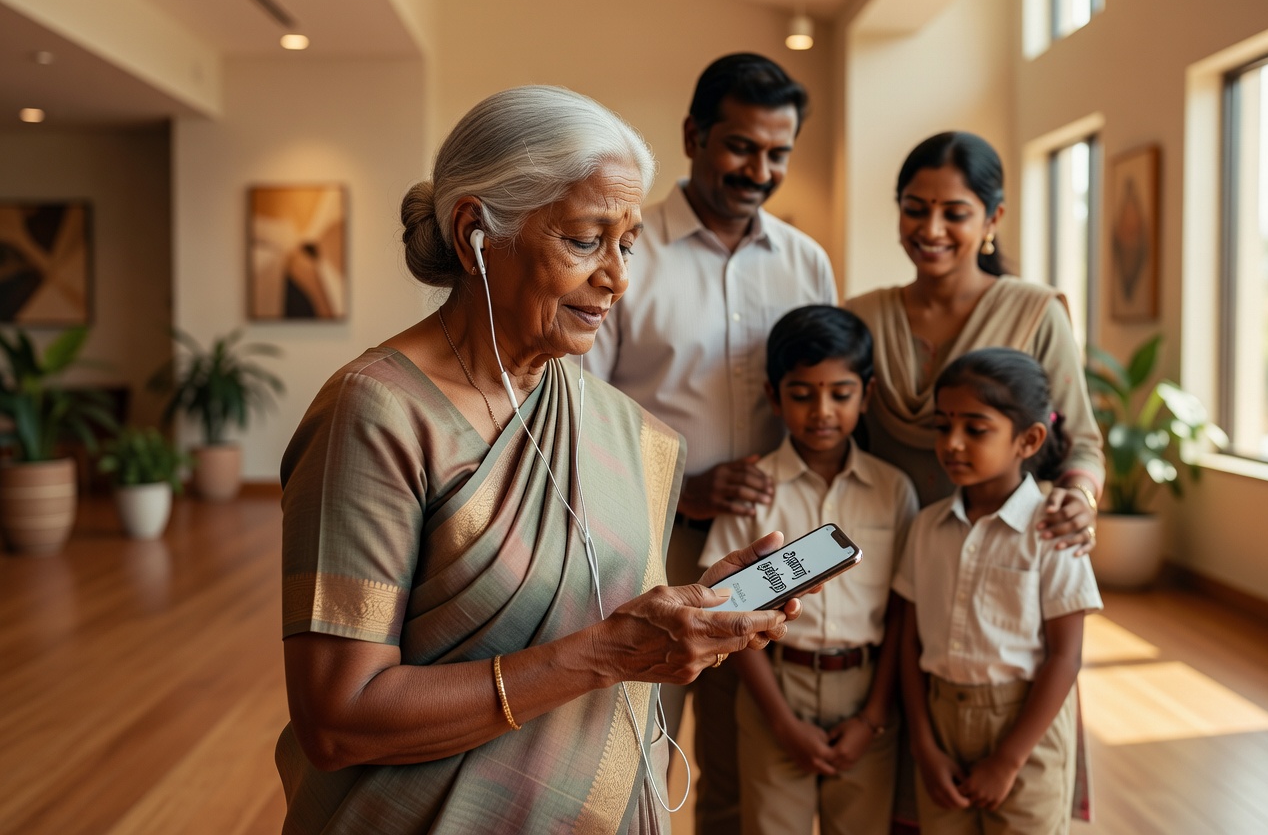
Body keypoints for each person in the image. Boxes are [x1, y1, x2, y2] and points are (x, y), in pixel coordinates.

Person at [275, 85, 805, 835]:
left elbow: (594, 611)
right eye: (587, 240)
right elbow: (339, 719)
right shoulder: (379, 414)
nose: (619, 277)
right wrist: (607, 654)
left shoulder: (621, 429)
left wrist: (688, 614)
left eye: (628, 243)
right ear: (474, 234)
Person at [586, 52, 837, 834]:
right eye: (740, 146)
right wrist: (684, 486)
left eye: (777, 154)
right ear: (694, 135)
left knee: (742, 759)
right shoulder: (627, 253)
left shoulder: (806, 262)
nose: (758, 170)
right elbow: (580, 407)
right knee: (633, 748)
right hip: (649, 544)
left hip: (765, 551)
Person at [699, 305, 918, 835]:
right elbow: (728, 612)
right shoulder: (752, 491)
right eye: (802, 394)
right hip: (775, 688)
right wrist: (779, 719)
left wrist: (872, 717)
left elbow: (901, 612)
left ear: (865, 395)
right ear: (774, 396)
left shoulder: (894, 492)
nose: (822, 410)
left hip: (867, 694)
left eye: (840, 394)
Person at [844, 131, 1103, 545]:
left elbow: (1081, 443)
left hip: (1000, 543)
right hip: (876, 541)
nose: (931, 229)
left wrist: (1079, 497)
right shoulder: (861, 316)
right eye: (915, 209)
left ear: (992, 218)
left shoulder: (1034, 313)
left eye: (955, 213)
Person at [894, 347, 1103, 834]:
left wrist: (1008, 759)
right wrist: (925, 746)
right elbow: (908, 641)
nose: (953, 443)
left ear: (1028, 439)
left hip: (1025, 728)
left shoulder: (1053, 530)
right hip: (940, 721)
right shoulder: (926, 527)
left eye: (976, 428)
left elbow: (1065, 657)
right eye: (943, 426)